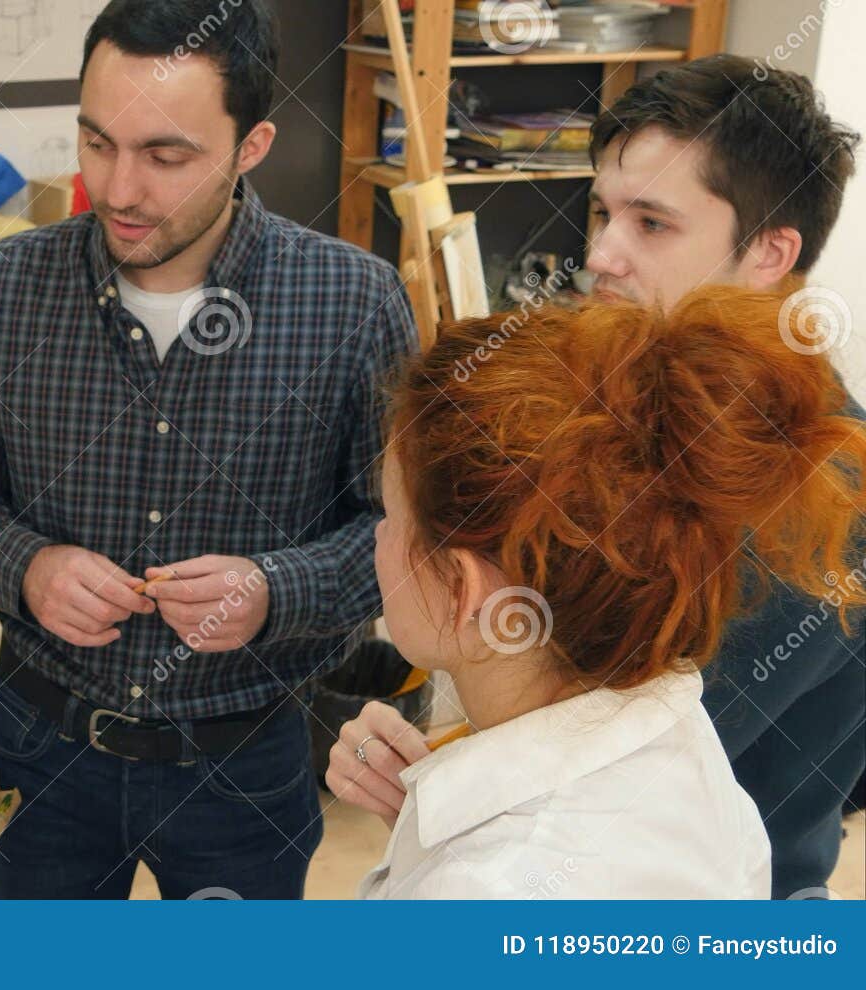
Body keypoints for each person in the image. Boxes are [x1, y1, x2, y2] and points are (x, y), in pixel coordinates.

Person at [0, 0, 415, 899]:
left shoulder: (354, 303)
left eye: (166, 156)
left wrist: (275, 591)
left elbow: (401, 534)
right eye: (97, 141)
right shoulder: (6, 285)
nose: (117, 188)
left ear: (250, 147)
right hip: (40, 753)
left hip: (246, 761)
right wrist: (25, 567)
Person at [331, 54, 865, 898]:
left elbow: (609, 744)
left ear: (771, 252)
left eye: (651, 224)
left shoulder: (824, 492)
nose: (601, 256)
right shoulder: (633, 420)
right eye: (602, 212)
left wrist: (450, 773)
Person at [352, 288, 866, 898]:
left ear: (464, 589)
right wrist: (445, 823)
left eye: (389, 514)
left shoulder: (487, 892)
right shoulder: (679, 726)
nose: (378, 537)